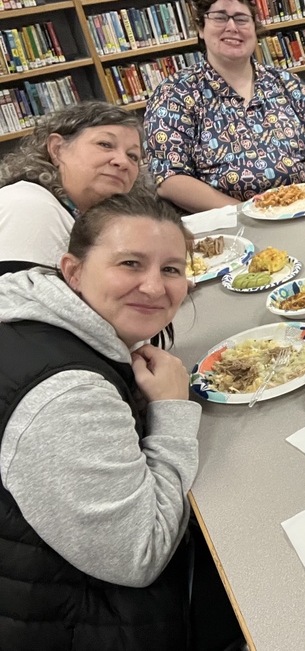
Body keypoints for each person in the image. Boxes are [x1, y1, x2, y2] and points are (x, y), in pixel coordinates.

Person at [0, 191, 201, 650]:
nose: (154, 287)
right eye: (130, 263)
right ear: (72, 271)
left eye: (171, 269)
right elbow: (141, 555)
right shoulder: (66, 395)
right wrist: (172, 410)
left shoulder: (33, 314)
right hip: (78, 622)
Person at [145, 0, 305, 212]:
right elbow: (170, 180)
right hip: (230, 227)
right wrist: (249, 213)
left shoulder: (288, 84)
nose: (232, 27)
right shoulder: (174, 94)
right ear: (200, 27)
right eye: (219, 17)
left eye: (241, 19)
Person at [0, 101, 143, 275]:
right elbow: (23, 301)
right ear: (57, 149)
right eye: (105, 144)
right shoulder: (28, 206)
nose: (123, 162)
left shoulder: (79, 215)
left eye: (133, 156)